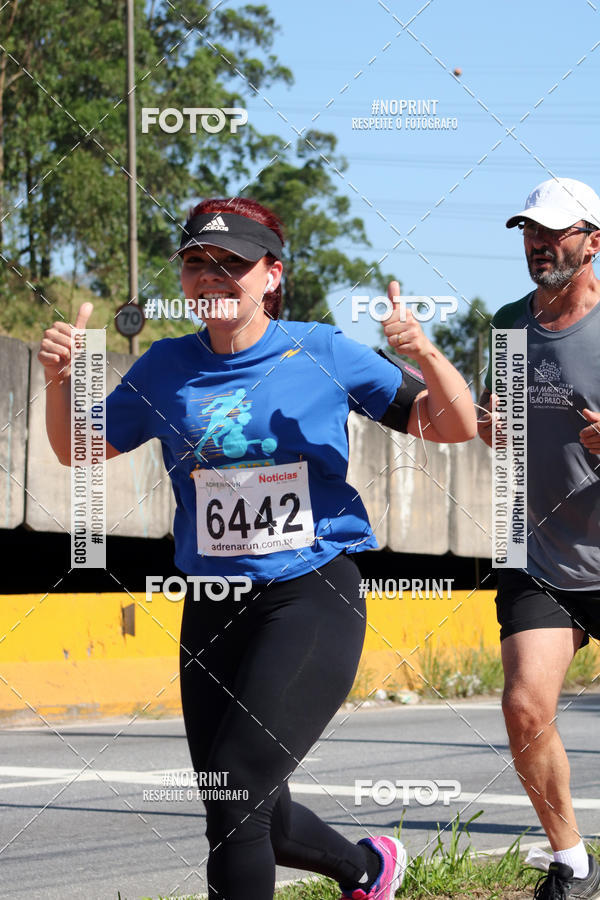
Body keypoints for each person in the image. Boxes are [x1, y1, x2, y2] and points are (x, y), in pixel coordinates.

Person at [39, 197, 476, 900]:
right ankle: (369, 869)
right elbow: (79, 449)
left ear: (271, 275)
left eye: (232, 265)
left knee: (240, 785)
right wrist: (61, 385)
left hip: (310, 592)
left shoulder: (323, 351)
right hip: (213, 602)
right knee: (234, 800)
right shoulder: (165, 367)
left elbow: (450, 427)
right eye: (195, 264)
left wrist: (423, 353)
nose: (211, 279)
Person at [478, 178, 600, 899]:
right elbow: (504, 425)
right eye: (528, 231)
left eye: (554, 231)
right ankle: (573, 861)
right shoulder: (507, 324)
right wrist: (493, 425)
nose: (539, 244)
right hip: (545, 556)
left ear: (594, 241)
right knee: (526, 705)